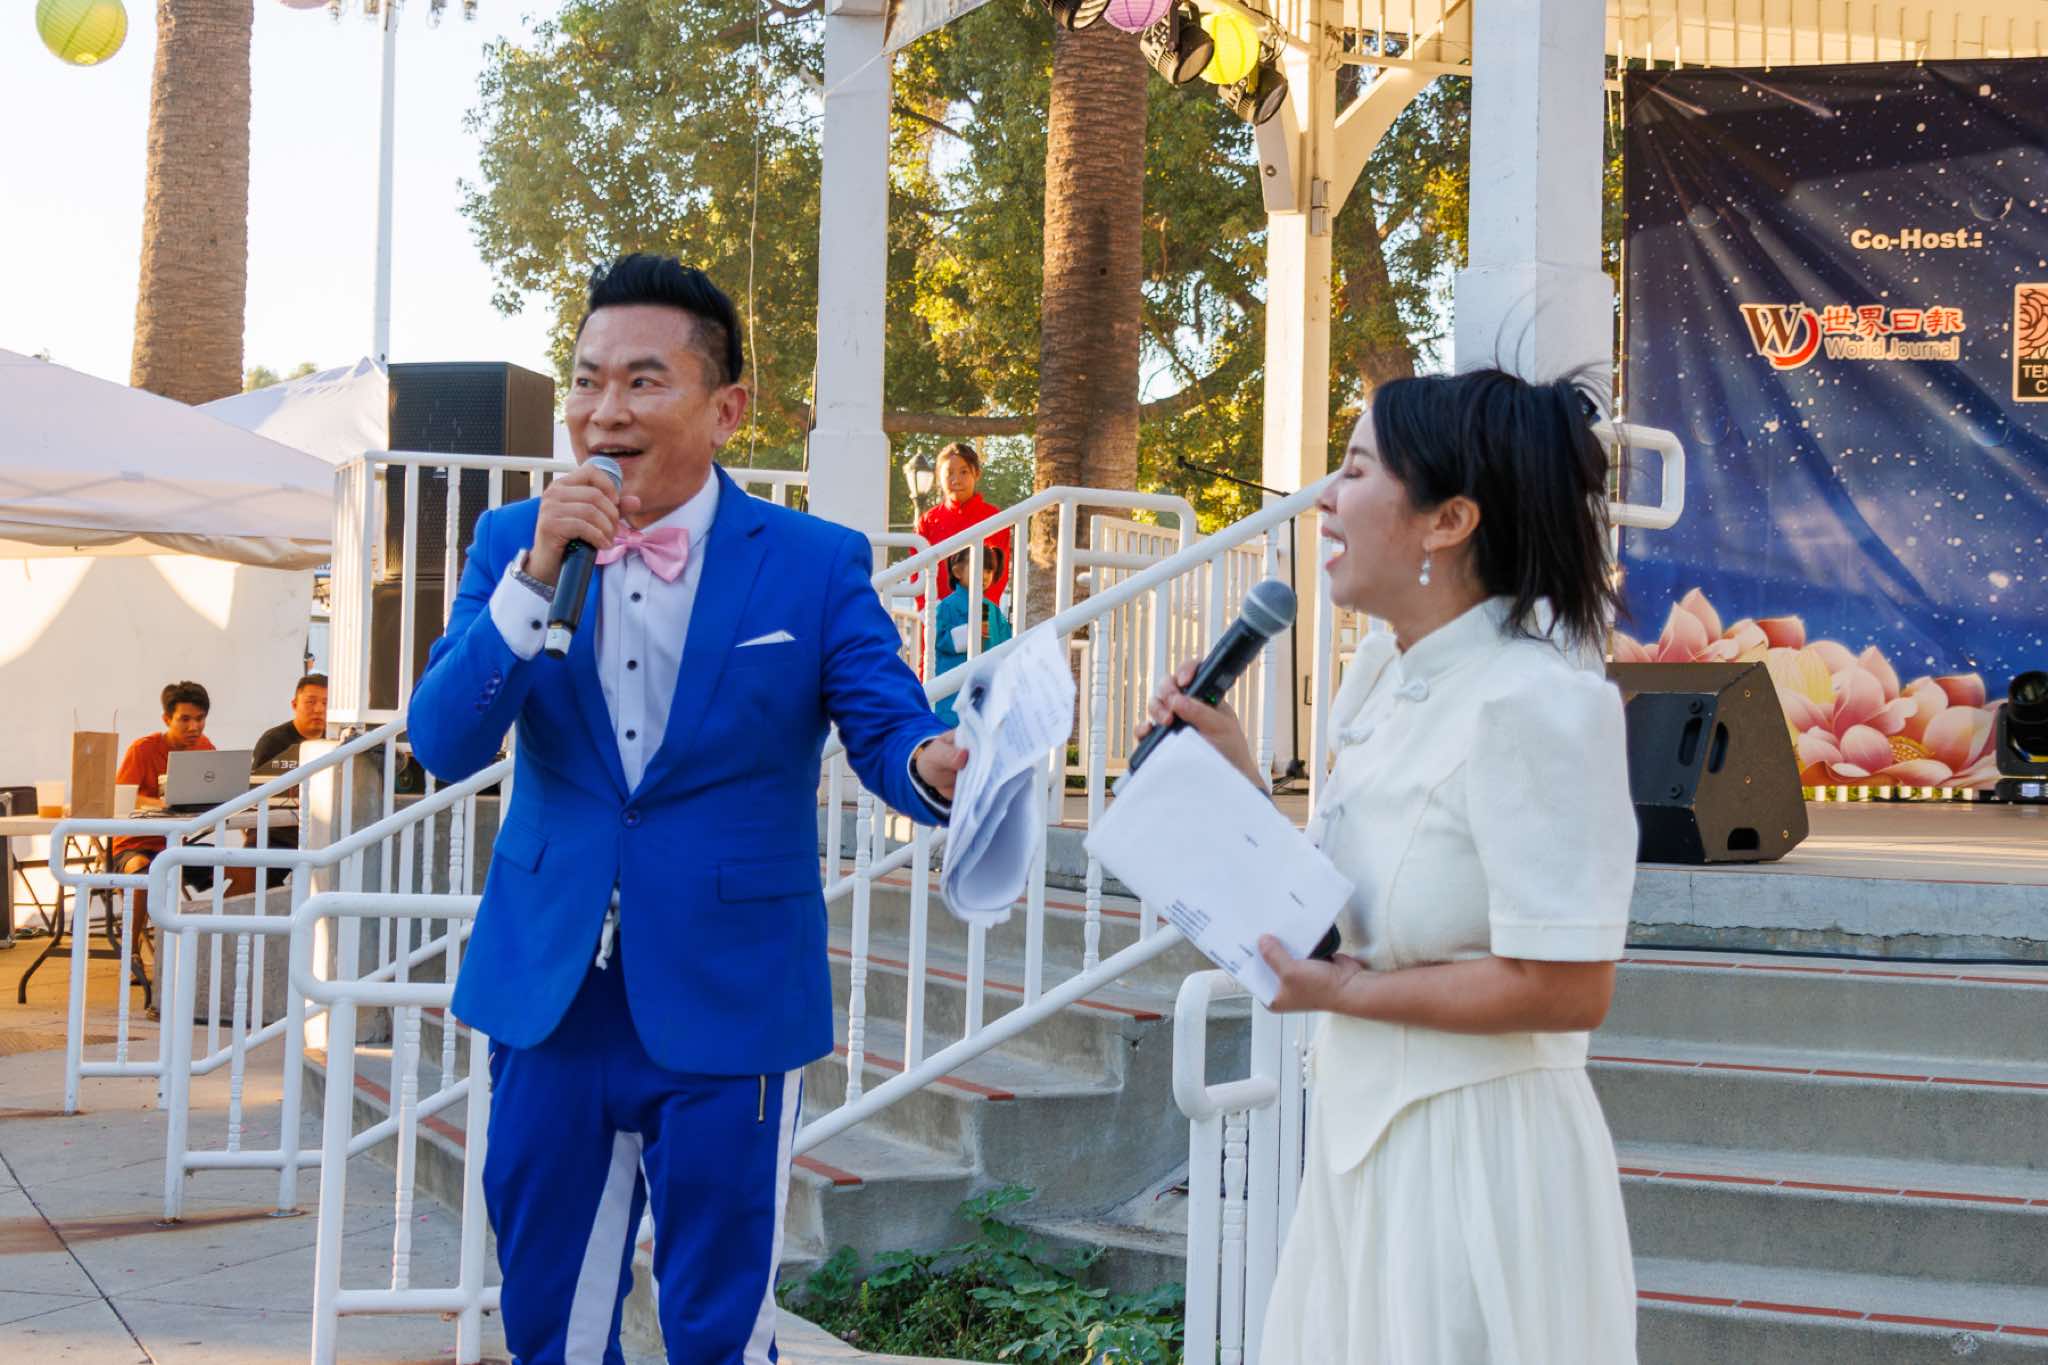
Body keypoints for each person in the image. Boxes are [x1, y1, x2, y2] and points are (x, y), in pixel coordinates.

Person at [406, 254, 966, 1365]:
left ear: (726, 409)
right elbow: (443, 738)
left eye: (643, 381)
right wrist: (536, 574)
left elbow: (887, 729)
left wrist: (938, 766)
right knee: (550, 1318)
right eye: (586, 380)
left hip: (729, 990)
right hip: (551, 985)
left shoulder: (811, 563)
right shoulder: (512, 542)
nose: (604, 410)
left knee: (718, 1322)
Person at [1142, 369, 1640, 1363]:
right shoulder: (1382, 680)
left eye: (1357, 469)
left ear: (1447, 520)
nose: (1326, 499)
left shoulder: (1540, 702)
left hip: (1479, 1167)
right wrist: (1233, 778)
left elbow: (1567, 985)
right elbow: (1356, 911)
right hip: (1359, 1152)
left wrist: (1344, 995)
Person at [111, 681, 218, 885]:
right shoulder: (142, 749)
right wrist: (165, 805)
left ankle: (228, 908)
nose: (194, 727)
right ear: (167, 719)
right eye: (185, 719)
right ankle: (142, 910)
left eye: (200, 718)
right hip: (133, 845)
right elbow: (120, 797)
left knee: (237, 863)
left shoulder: (205, 748)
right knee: (142, 868)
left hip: (175, 844)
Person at [915, 442, 1012, 605]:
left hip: (980, 610)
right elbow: (917, 574)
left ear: (976, 474)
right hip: (938, 612)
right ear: (939, 477)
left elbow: (998, 574)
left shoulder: (994, 518)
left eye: (964, 472)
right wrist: (928, 609)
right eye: (949, 473)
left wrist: (983, 609)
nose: (956, 480)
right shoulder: (927, 521)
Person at [931, 546, 1014, 726]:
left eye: (989, 570)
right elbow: (937, 637)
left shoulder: (992, 610)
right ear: (957, 571)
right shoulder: (947, 606)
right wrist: (968, 634)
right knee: (953, 729)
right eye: (979, 567)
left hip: (986, 687)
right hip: (953, 690)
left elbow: (1007, 644)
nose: (984, 575)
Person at [252, 674, 328, 769]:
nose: (319, 709)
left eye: (325, 703)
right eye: (311, 702)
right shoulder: (273, 742)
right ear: (294, 705)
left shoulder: (336, 741)